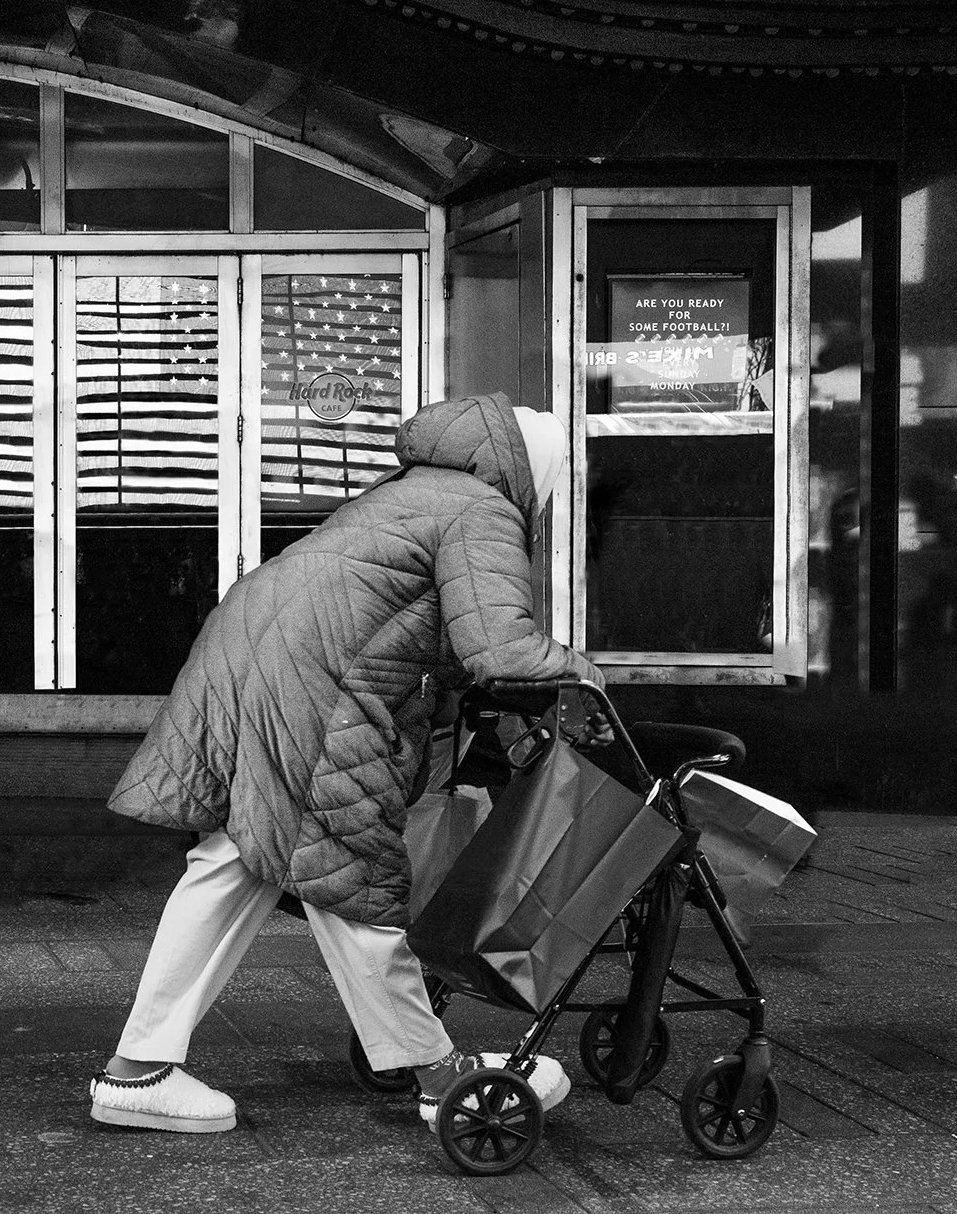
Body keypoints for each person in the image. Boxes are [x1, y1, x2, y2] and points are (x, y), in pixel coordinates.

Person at [91, 393, 606, 1135]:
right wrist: (584, 677)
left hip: (256, 658)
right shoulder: (482, 507)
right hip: (315, 688)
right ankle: (438, 1074)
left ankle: (137, 1070)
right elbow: (499, 646)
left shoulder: (410, 491)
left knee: (241, 856)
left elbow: (414, 631)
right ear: (535, 472)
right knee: (348, 872)